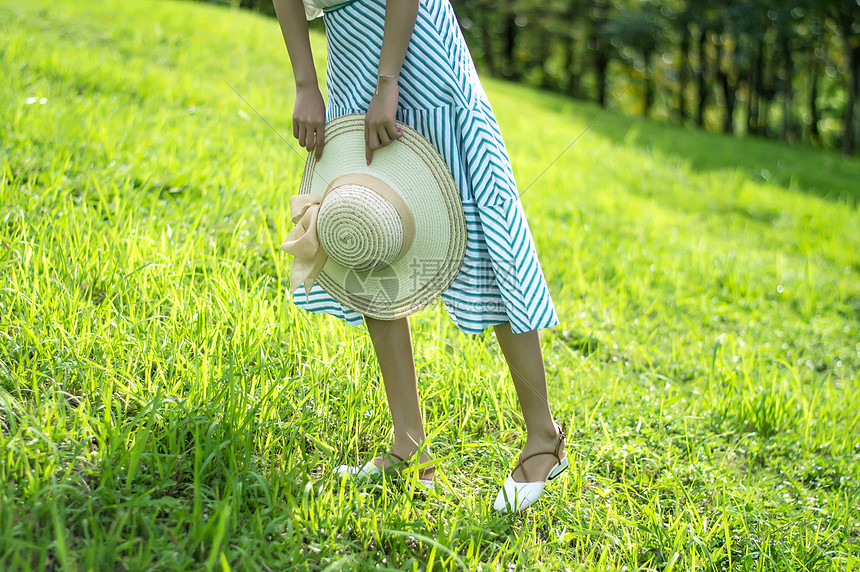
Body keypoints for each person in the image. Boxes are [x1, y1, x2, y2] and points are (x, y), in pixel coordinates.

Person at [272, 0, 567, 512]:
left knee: (483, 234)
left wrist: (389, 84)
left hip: (416, 48)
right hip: (349, 51)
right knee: (369, 225)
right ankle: (410, 446)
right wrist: (304, 83)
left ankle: (543, 439)